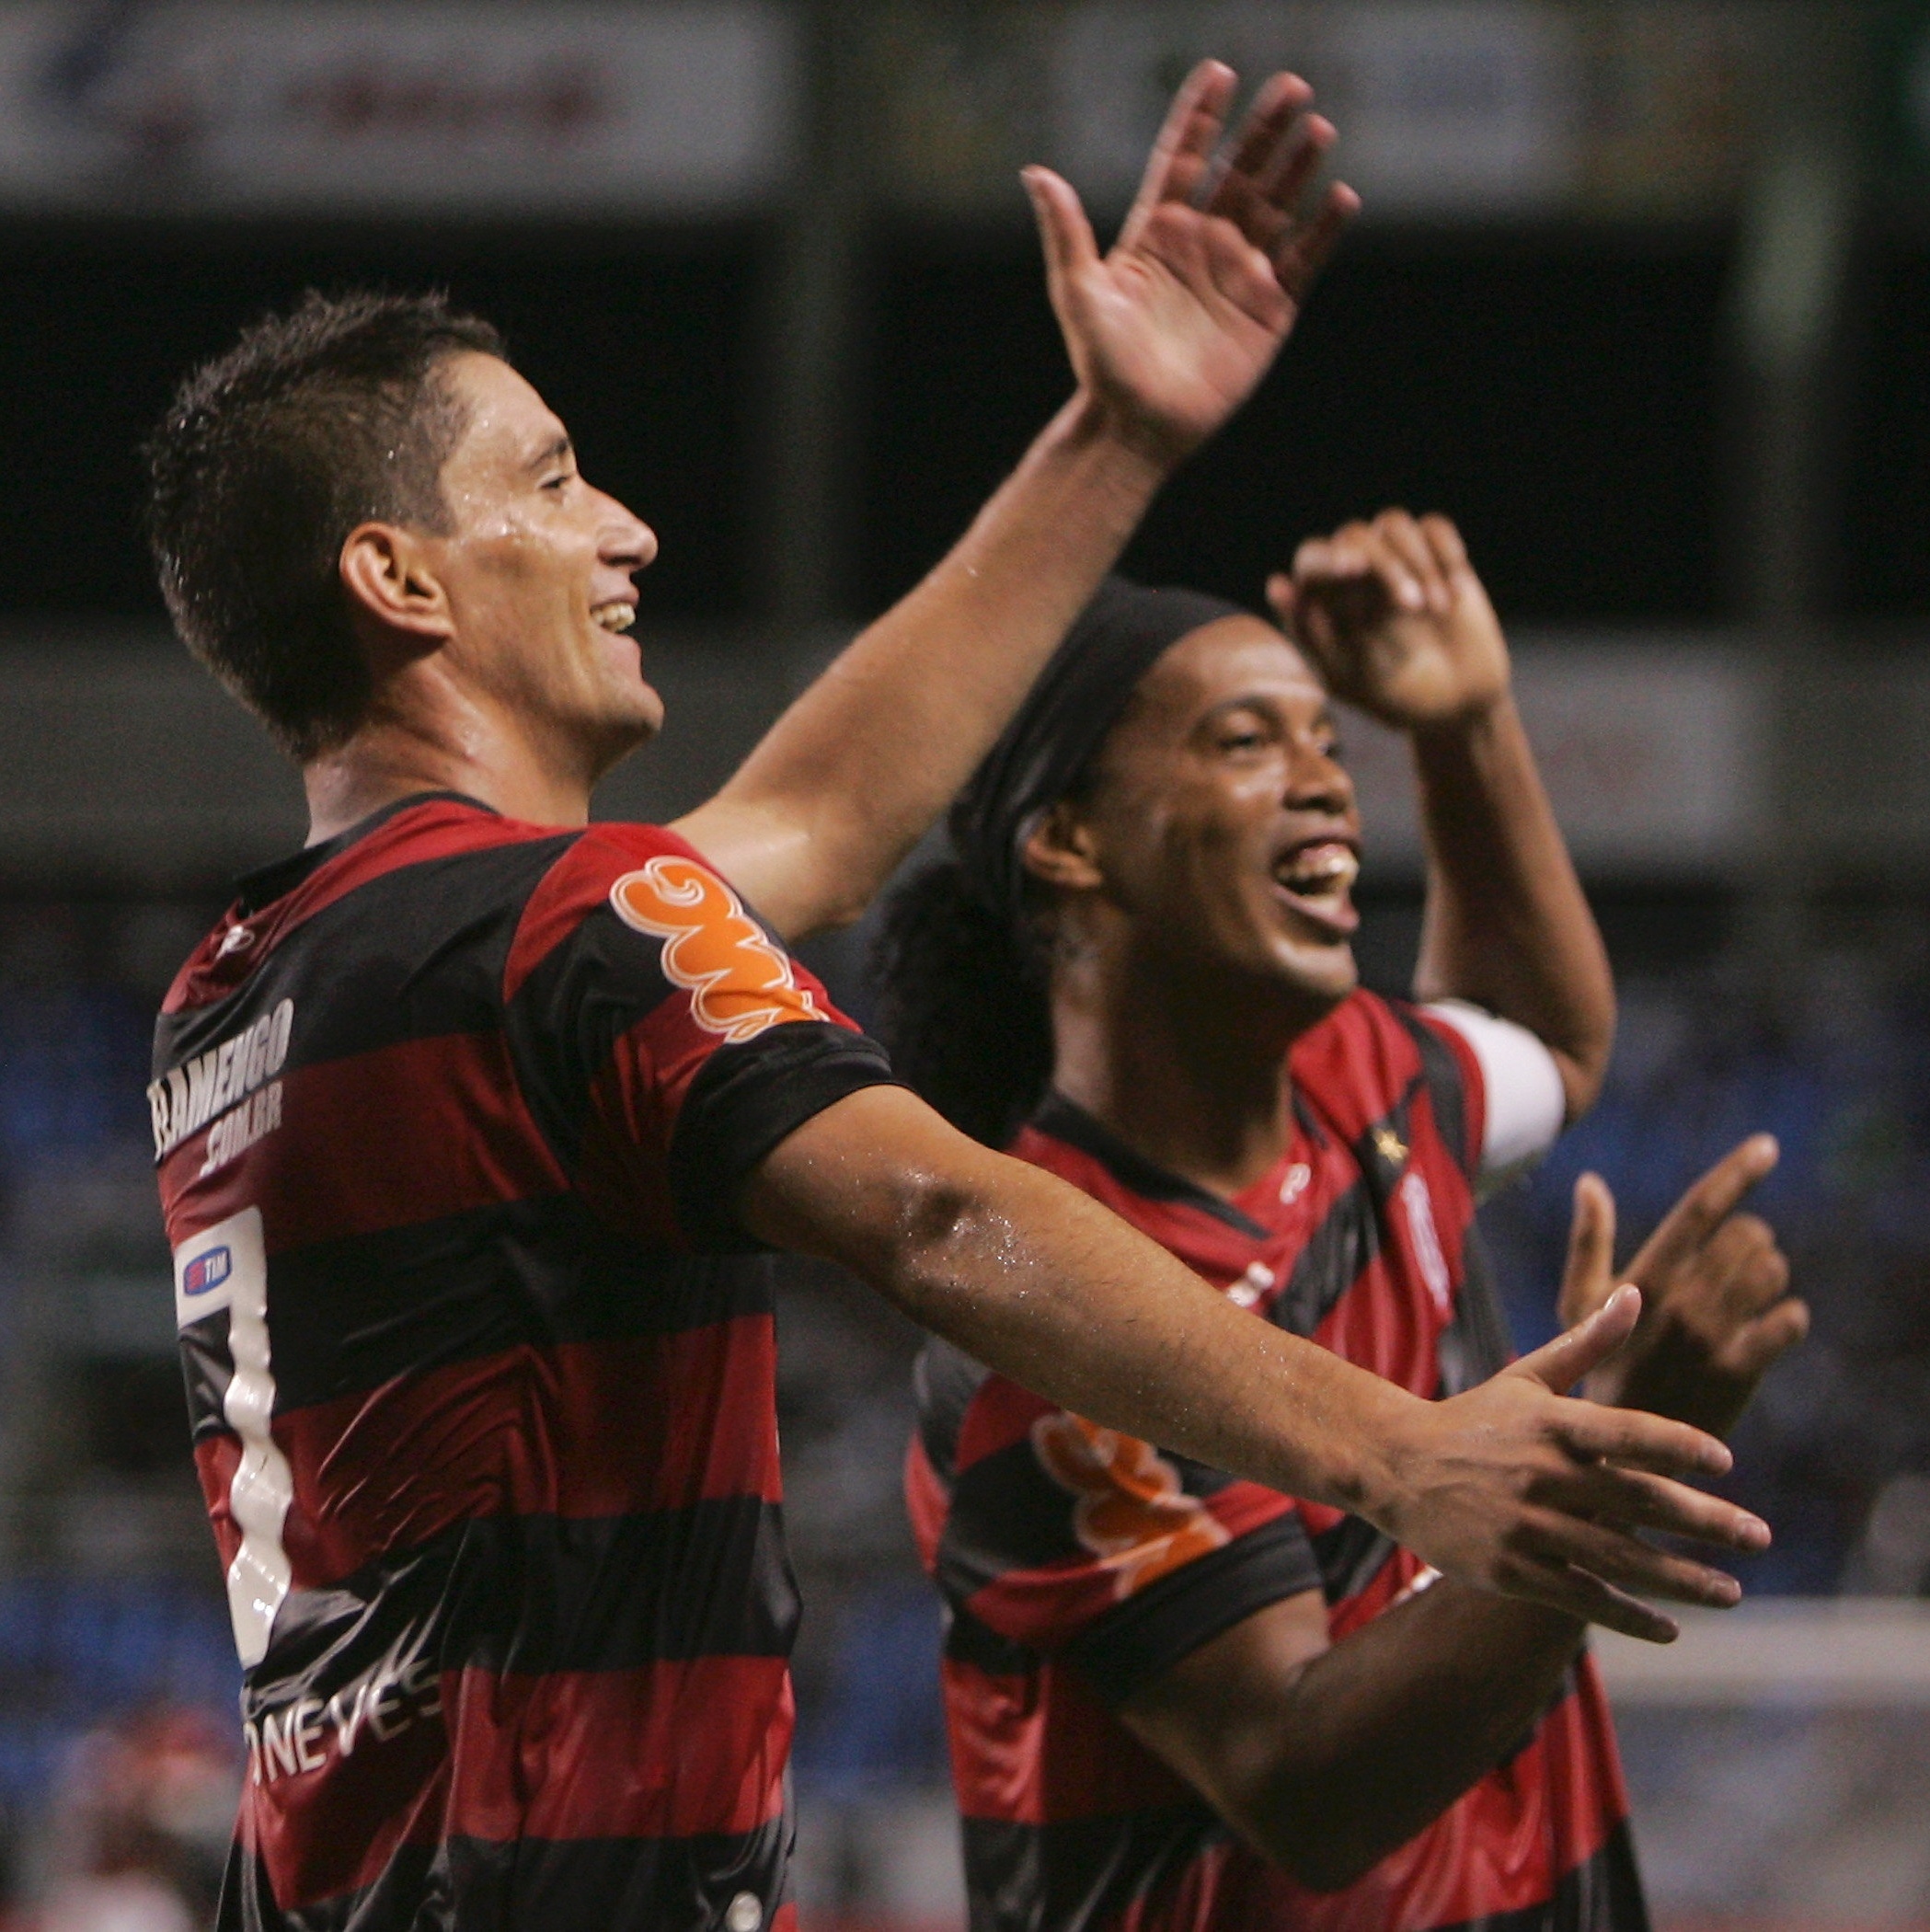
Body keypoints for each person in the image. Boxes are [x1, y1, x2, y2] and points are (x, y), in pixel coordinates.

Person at [142, 66, 1762, 1932]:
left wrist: (1112, 434)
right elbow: (931, 1207)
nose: (627, 532)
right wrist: (1396, 1450)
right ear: (398, 577)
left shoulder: (251, 990)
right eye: (554, 480)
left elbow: (815, 826)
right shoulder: (561, 931)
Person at [876, 519, 1809, 1932]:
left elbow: (1545, 1042)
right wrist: (1604, 1452)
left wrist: (1462, 726)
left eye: (1327, 741)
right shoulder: (1047, 1315)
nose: (1324, 785)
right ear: (1068, 839)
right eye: (1249, 743)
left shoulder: (1362, 1077)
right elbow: (1309, 1788)